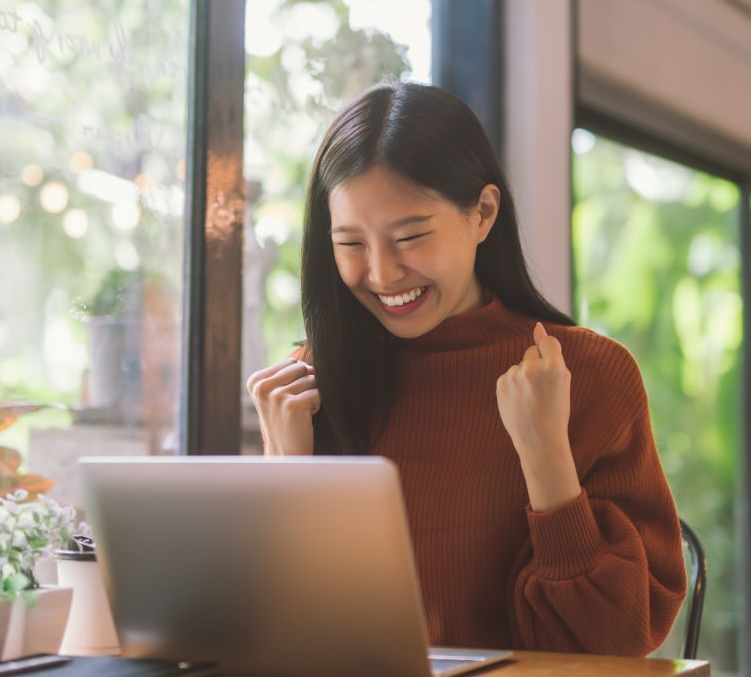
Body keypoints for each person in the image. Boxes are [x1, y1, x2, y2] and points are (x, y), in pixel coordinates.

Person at [246, 82, 686, 656]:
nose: (381, 274)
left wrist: (547, 457)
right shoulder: (310, 386)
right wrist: (286, 472)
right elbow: (281, 645)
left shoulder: (586, 374)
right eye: (350, 243)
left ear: (482, 214)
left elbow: (612, 646)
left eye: (410, 236)